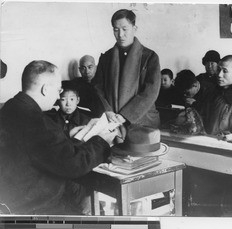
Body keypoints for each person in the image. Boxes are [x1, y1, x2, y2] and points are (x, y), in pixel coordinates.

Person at [0, 60, 118, 215]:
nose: (58, 95)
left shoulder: (11, 107)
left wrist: (77, 137)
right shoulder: (37, 121)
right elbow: (73, 165)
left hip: (13, 201)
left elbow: (48, 152)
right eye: (58, 90)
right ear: (45, 89)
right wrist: (102, 141)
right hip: (39, 208)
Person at [92, 9, 161, 141]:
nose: (120, 34)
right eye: (116, 29)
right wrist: (107, 110)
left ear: (134, 28)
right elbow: (97, 88)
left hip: (142, 123)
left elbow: (150, 92)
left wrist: (125, 115)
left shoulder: (149, 56)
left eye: (125, 29)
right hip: (112, 121)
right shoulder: (106, 57)